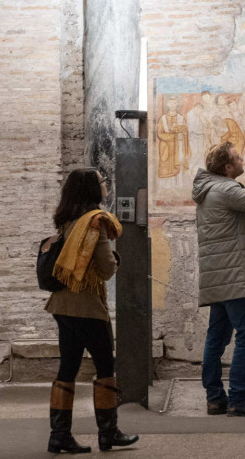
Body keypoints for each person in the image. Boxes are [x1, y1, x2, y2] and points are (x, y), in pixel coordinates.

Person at [44, 168, 139, 454]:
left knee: (68, 367)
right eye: (102, 182)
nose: (105, 185)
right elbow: (107, 268)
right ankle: (109, 433)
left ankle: (59, 436)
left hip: (62, 304)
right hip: (86, 306)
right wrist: (117, 258)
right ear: (92, 189)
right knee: (105, 367)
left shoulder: (68, 220)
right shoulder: (95, 222)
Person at [192, 142, 245, 416]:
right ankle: (238, 398)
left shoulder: (207, 190)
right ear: (227, 167)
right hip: (235, 276)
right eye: (237, 158)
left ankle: (216, 398)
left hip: (220, 275)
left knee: (216, 339)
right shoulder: (226, 189)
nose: (243, 160)